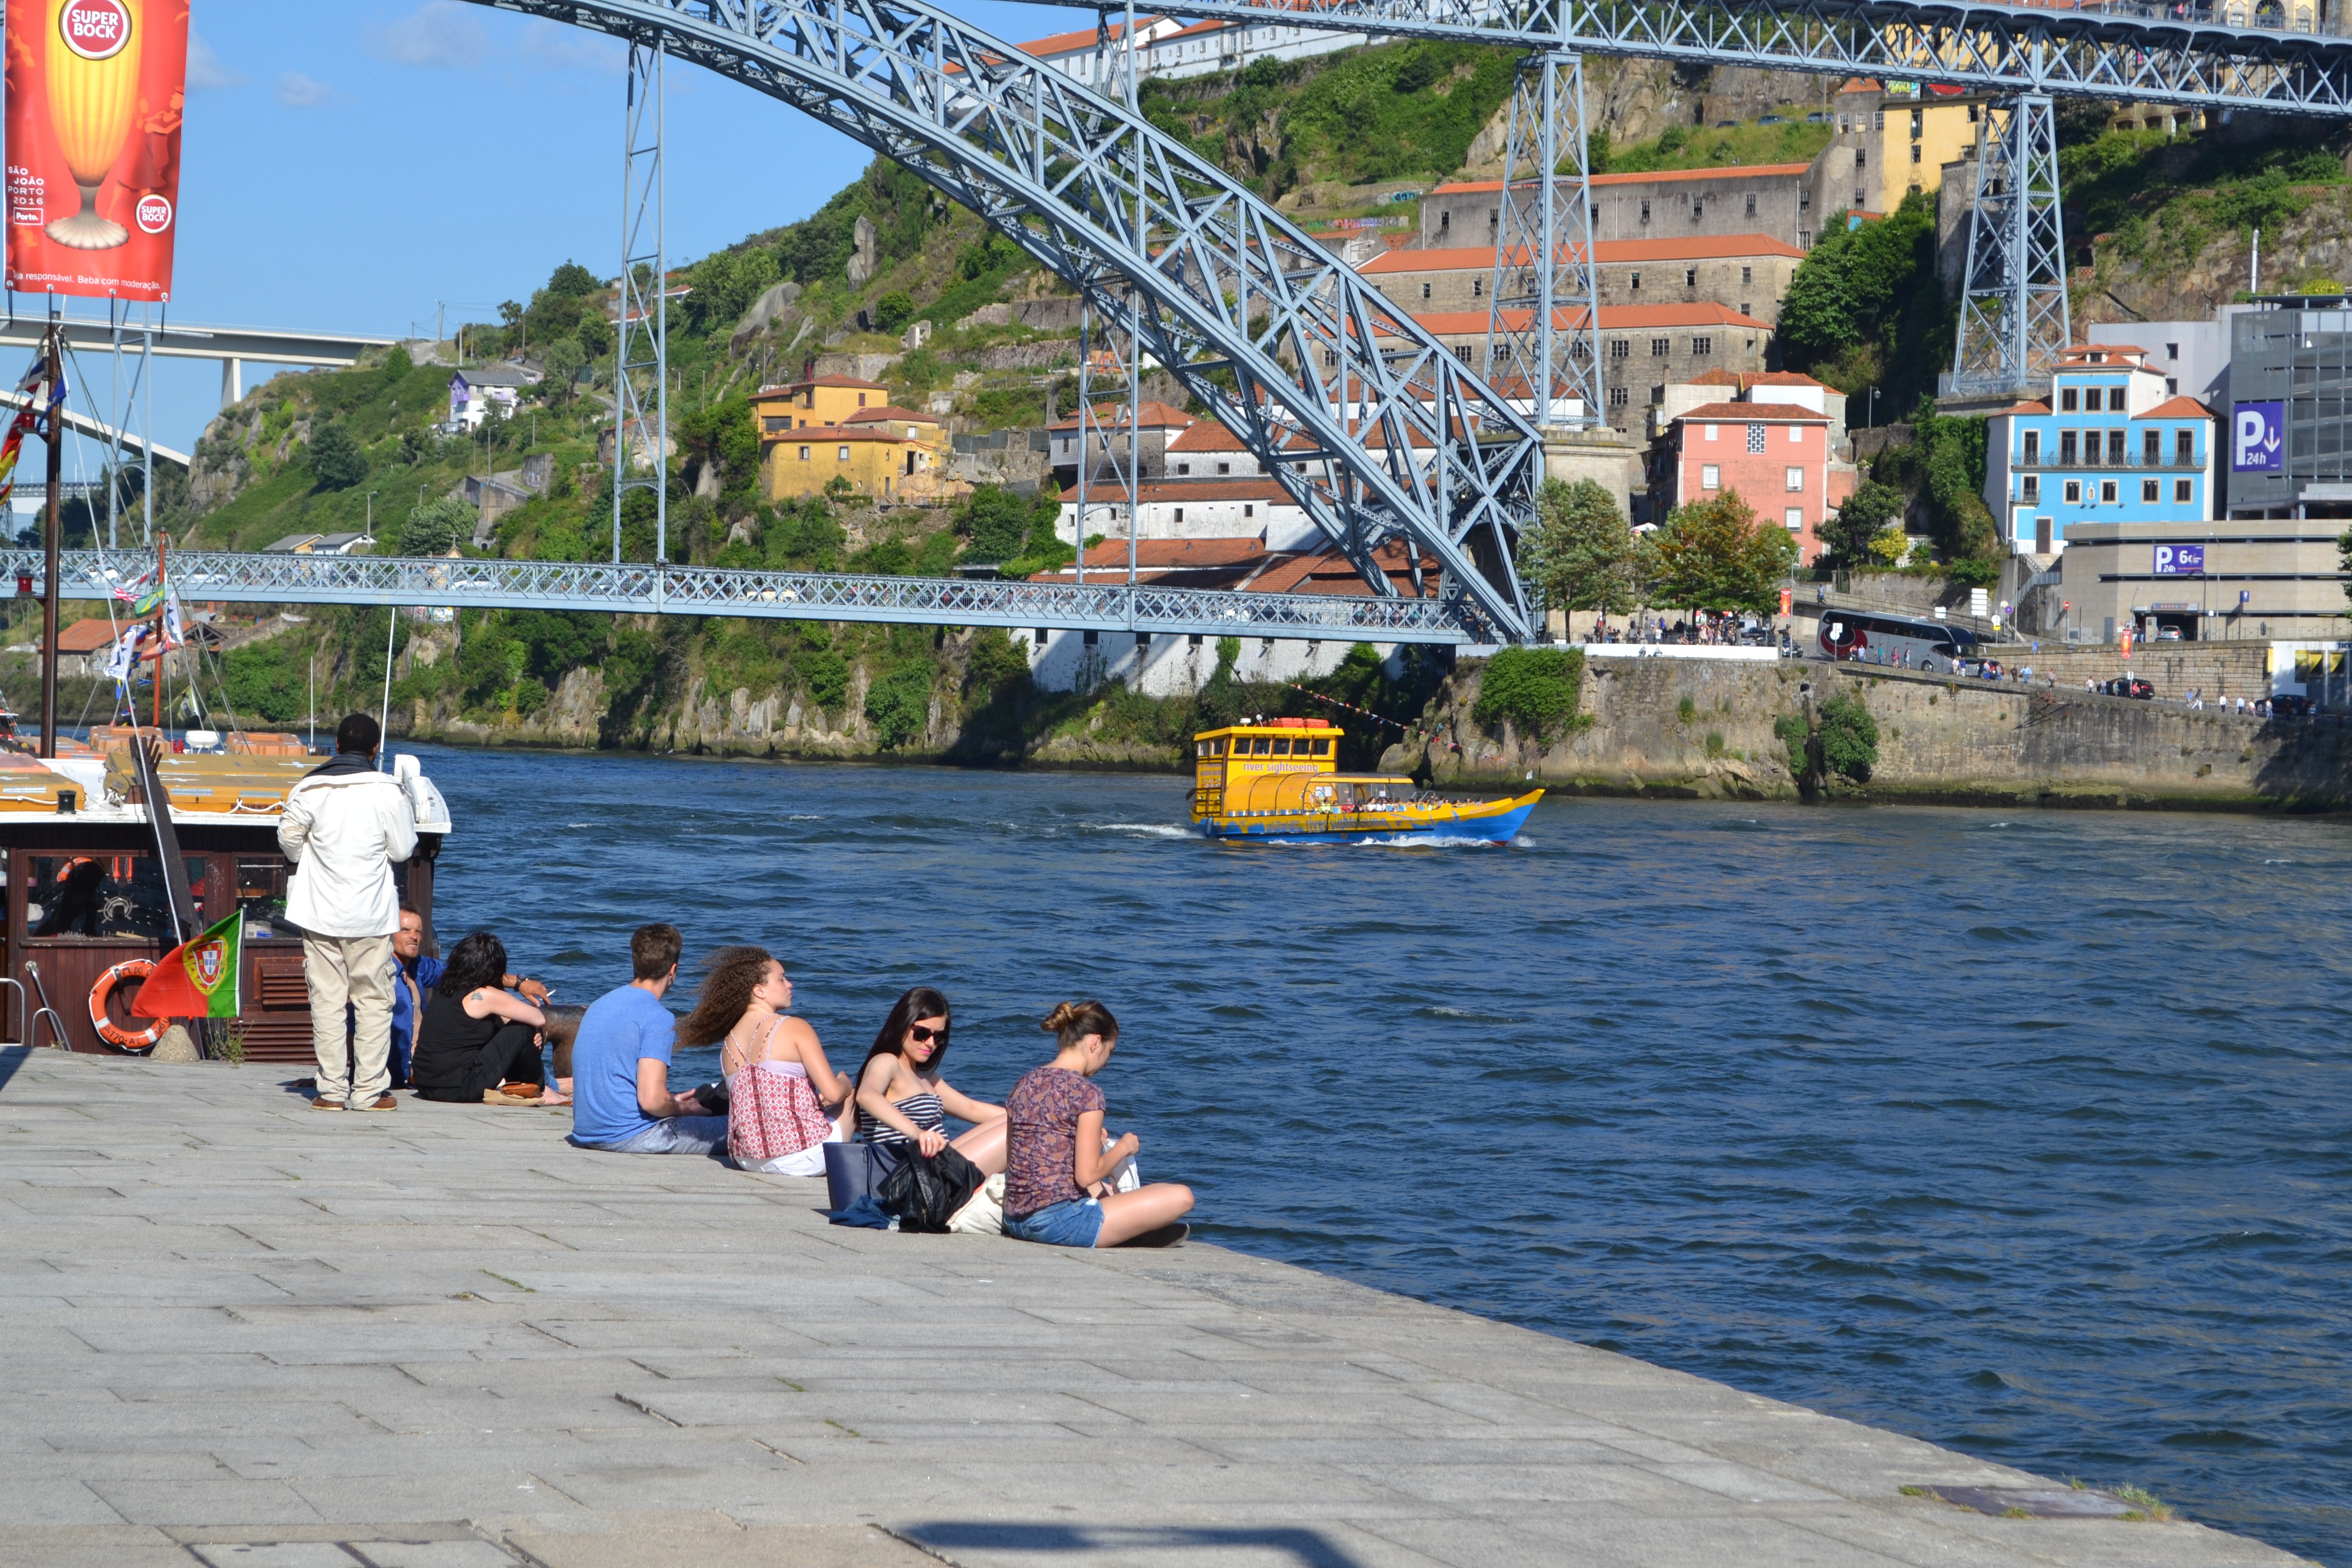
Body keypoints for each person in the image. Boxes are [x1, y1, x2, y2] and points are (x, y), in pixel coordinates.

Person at [280, 714, 416, 1114]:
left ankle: (332, 1091)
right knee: (373, 1002)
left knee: (327, 1001)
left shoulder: (310, 787)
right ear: (375, 750)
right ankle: (369, 1092)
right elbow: (404, 849)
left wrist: (312, 862)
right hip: (371, 914)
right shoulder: (388, 791)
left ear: (335, 746)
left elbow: (287, 837)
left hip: (319, 911)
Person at [1001, 1000, 1193, 1248]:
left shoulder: (1024, 1083)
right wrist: (1124, 1147)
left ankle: (1121, 1228)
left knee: (1106, 1191)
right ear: (1095, 1043)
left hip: (1015, 1219)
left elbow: (1017, 1157)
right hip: (1058, 1224)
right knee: (1182, 1197)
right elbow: (1086, 1176)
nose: (1107, 1062)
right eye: (1110, 1052)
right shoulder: (1087, 1093)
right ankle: (1126, 1233)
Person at [674, 945, 854, 1177]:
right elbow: (835, 1093)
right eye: (781, 979)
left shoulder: (728, 1045)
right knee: (857, 1096)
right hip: (802, 1156)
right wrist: (845, 1083)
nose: (790, 984)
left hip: (746, 1159)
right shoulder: (794, 1027)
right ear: (759, 990)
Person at [567, 923, 726, 1155]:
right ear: (673, 970)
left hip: (587, 1131)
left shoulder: (600, 1005)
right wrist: (685, 1110)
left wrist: (672, 1102)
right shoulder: (658, 1017)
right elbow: (651, 1101)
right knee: (734, 1128)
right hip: (631, 1135)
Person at [385, 908, 549, 1090]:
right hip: (400, 1073)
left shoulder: (419, 968)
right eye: (405, 930)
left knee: (497, 1025)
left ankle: (550, 1084)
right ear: (388, 932)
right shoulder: (381, 974)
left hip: (424, 1073)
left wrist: (517, 983)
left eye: (419, 931)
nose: (414, 936)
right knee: (518, 1029)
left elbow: (466, 971)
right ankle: (545, 1089)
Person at [854, 986, 1009, 1175]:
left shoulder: (925, 1076)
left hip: (935, 1168)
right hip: (913, 1178)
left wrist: (1035, 1116)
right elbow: (867, 1096)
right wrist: (917, 1133)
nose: (930, 1043)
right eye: (922, 1033)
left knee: (1016, 1122)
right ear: (903, 1024)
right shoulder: (887, 1062)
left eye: (938, 1037)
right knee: (1013, 1131)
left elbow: (971, 1109)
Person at [410, 930, 548, 1106]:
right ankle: (537, 1089)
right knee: (524, 1028)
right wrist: (533, 1032)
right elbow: (538, 1018)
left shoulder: (444, 990)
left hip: (424, 1084)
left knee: (502, 1026)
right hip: (458, 1088)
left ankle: (519, 1087)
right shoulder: (484, 995)